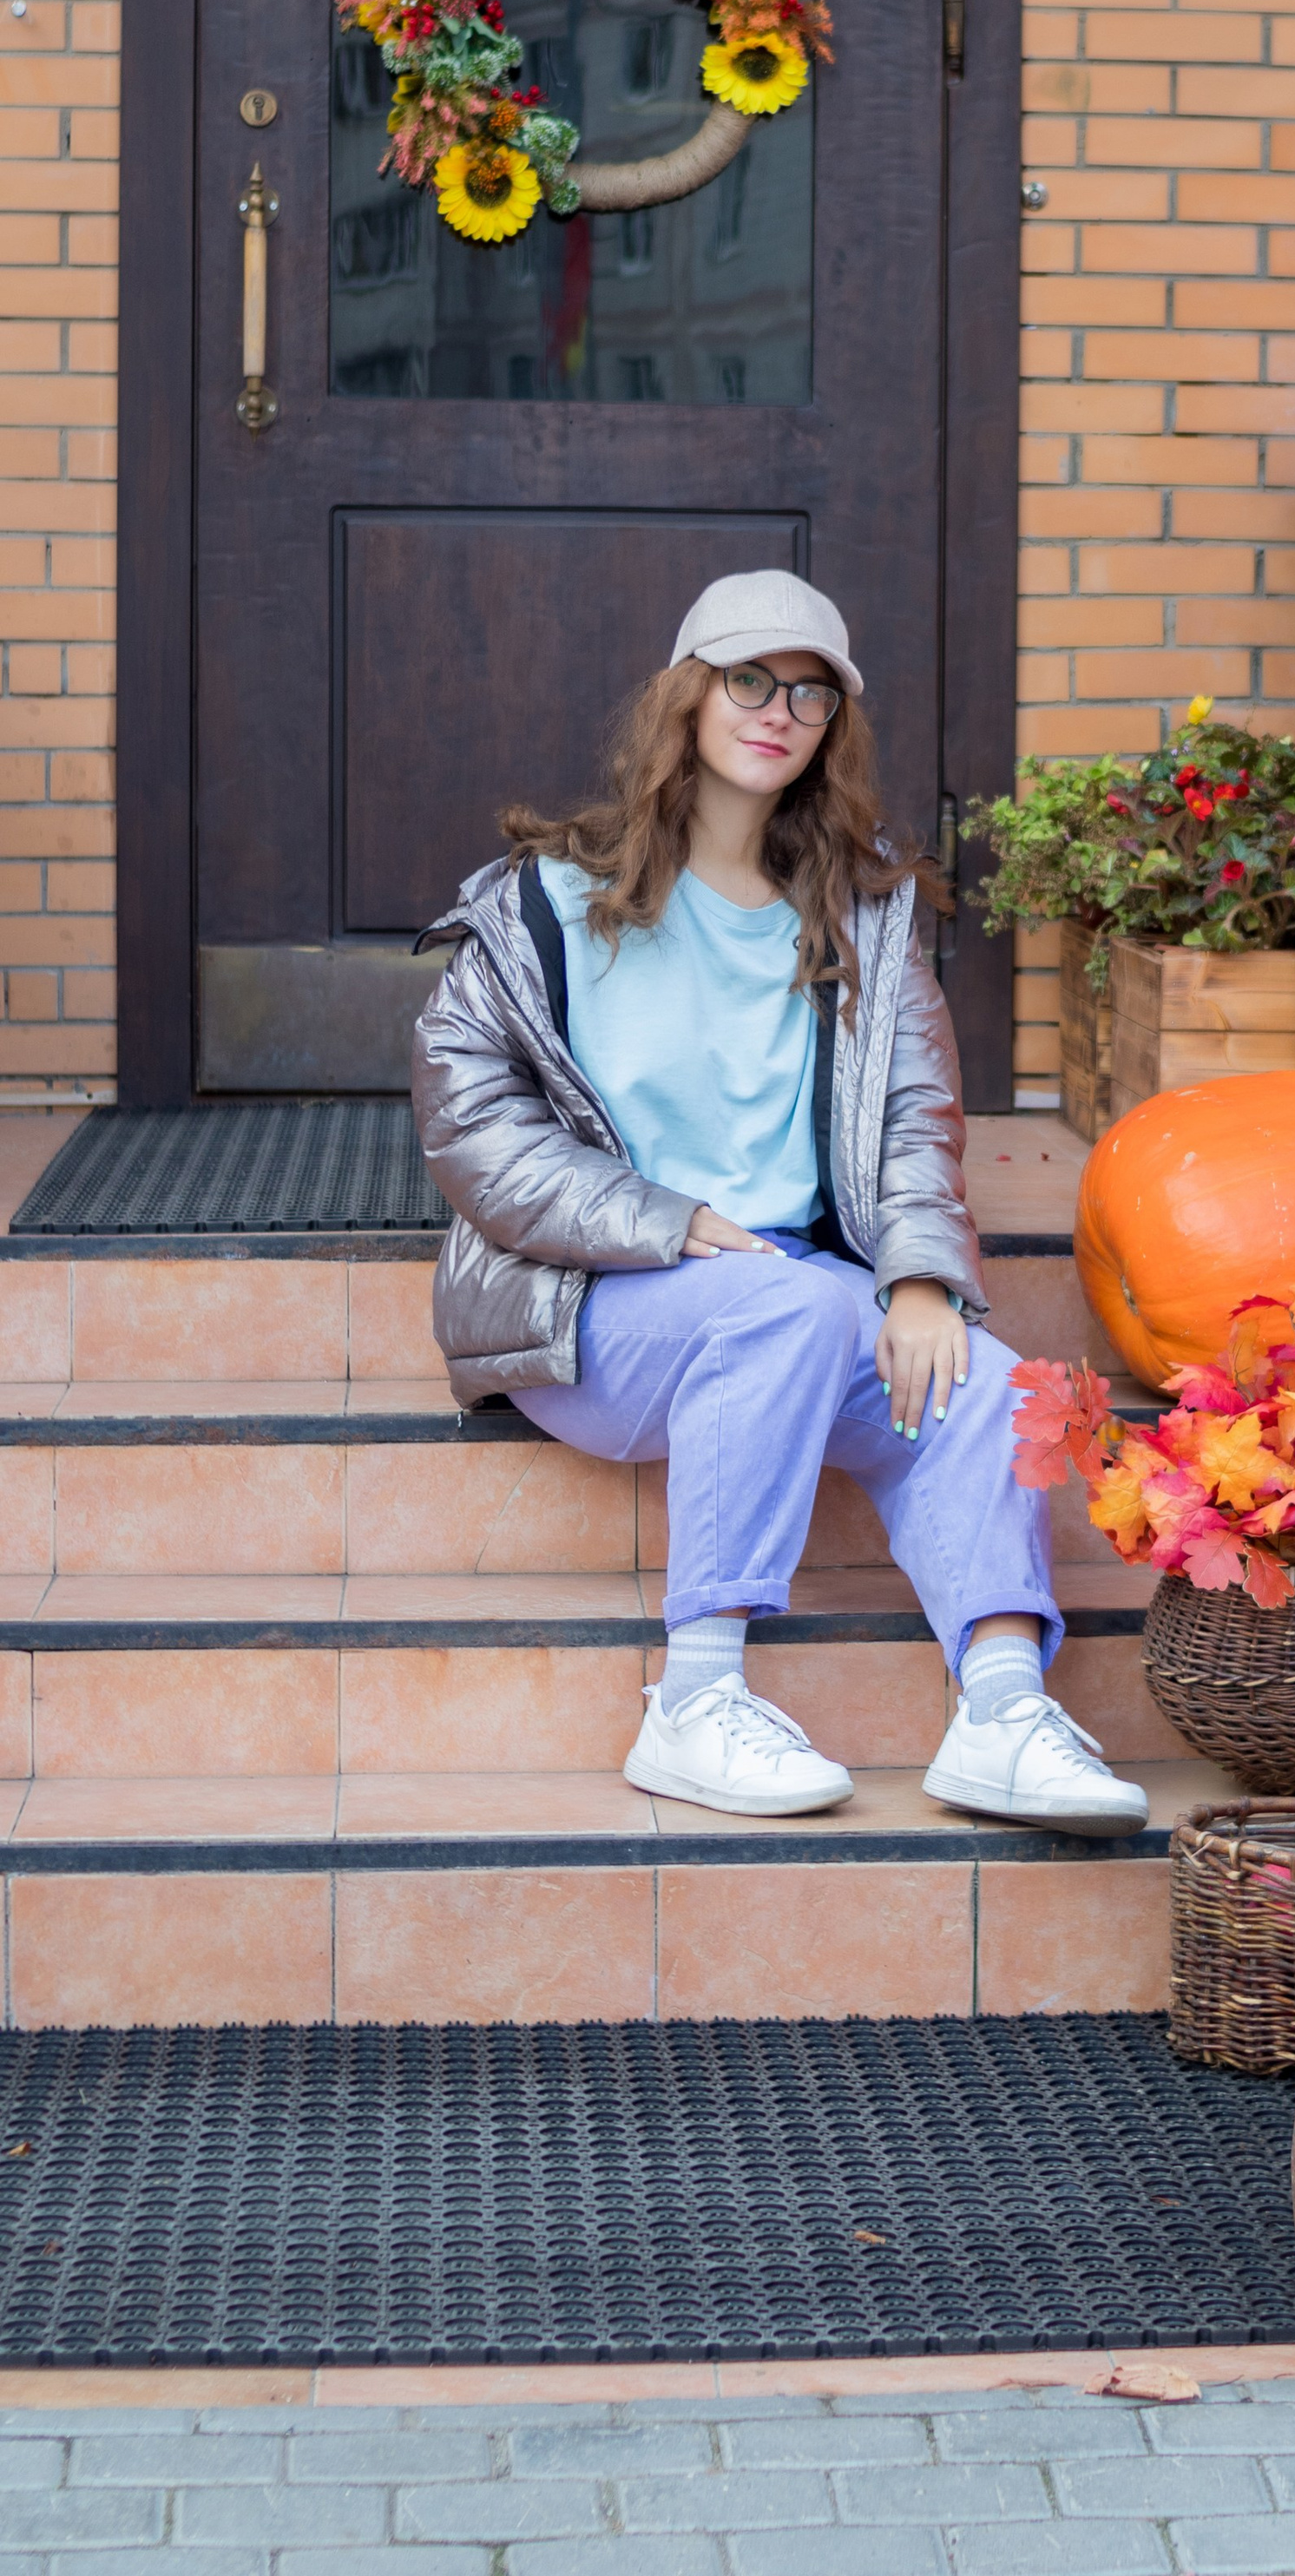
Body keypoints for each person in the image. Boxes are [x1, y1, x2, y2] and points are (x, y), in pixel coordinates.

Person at [411, 569, 1147, 1834]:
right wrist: (662, 1219)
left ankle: (1005, 1712)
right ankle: (694, 1699)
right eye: (751, 679)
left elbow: (917, 1118)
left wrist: (919, 1280)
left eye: (809, 692)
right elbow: (471, 1125)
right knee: (788, 1310)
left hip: (794, 1297)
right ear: (687, 698)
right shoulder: (546, 901)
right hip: (589, 1302)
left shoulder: (862, 915)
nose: (779, 709)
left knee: (980, 1379)